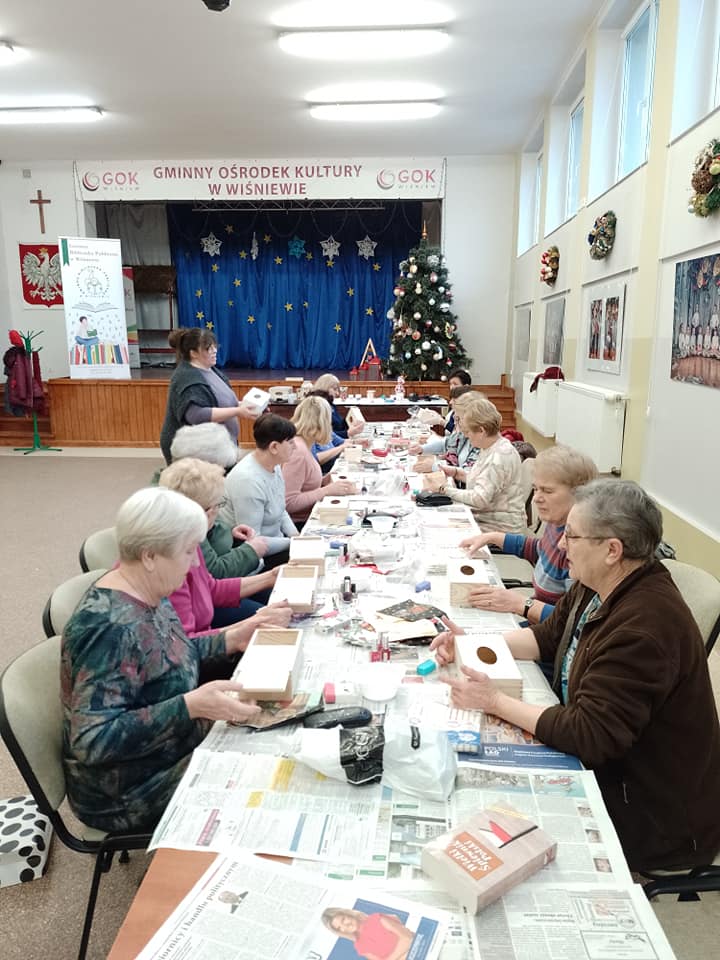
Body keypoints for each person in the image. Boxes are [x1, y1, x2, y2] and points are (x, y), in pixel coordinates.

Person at [431, 480, 720, 872]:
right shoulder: (600, 583)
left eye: (571, 534)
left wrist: (494, 701)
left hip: (648, 808)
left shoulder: (643, 629)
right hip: (611, 759)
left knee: (477, 809)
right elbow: (547, 639)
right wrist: (472, 643)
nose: (561, 544)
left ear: (612, 550)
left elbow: (589, 736)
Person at [61, 486, 291, 833]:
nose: (195, 564)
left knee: (279, 739)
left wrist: (231, 637)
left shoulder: (148, 588)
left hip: (168, 744)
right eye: (187, 552)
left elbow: (168, 655)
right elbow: (93, 740)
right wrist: (189, 706)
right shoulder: (109, 627)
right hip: (126, 787)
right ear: (150, 555)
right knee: (269, 780)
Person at [458, 445, 598, 623]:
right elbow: (539, 549)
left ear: (579, 495)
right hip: (536, 618)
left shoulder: (579, 547)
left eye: (547, 491)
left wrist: (520, 603)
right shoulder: (556, 524)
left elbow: (570, 623)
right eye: (536, 489)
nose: (536, 498)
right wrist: (492, 537)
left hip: (550, 633)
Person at [158, 458, 286, 633]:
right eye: (218, 505)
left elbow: (211, 587)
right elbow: (186, 645)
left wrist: (270, 577)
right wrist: (250, 626)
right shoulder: (172, 557)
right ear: (204, 511)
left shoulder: (186, 534)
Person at [168, 422, 265, 577]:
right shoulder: (185, 510)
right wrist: (251, 552)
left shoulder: (191, 494)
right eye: (219, 468)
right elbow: (213, 573)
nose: (221, 475)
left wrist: (228, 534)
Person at [159, 327, 258, 464]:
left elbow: (223, 403)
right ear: (193, 353)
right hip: (193, 451)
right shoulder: (187, 377)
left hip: (215, 447)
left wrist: (249, 406)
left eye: (214, 347)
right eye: (208, 348)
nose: (214, 351)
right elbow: (196, 415)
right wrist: (238, 411)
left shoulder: (211, 371)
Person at [439, 394, 526, 532]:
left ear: (481, 431)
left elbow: (480, 498)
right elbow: (484, 480)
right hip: (487, 521)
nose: (466, 435)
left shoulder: (499, 456)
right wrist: (456, 473)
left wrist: (445, 490)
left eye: (468, 431)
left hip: (499, 530)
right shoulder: (492, 446)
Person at [221, 413, 299, 564]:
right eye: (290, 442)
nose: (295, 446)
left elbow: (280, 509)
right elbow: (253, 542)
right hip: (257, 556)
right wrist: (294, 544)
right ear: (274, 447)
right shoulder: (248, 480)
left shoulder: (273, 465)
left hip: (277, 543)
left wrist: (296, 536)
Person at [283, 396, 357, 526]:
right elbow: (289, 503)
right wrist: (326, 490)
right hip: (301, 522)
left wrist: (325, 480)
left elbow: (304, 485)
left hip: (313, 513)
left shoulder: (305, 443)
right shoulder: (298, 452)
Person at [321, 907, 415, 960]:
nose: (345, 926)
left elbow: (408, 939)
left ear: (348, 914)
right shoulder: (360, 946)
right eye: (339, 928)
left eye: (343, 919)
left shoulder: (376, 919)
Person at [306, 388, 363, 474]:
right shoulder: (307, 432)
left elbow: (340, 441)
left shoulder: (323, 427)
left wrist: (356, 442)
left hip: (332, 471)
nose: (331, 412)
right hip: (322, 474)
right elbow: (314, 459)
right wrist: (340, 448)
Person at [313, 373, 354, 438]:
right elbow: (323, 435)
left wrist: (351, 421)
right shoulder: (317, 406)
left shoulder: (330, 404)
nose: (337, 393)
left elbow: (339, 424)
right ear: (325, 387)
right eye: (335, 389)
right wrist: (347, 433)